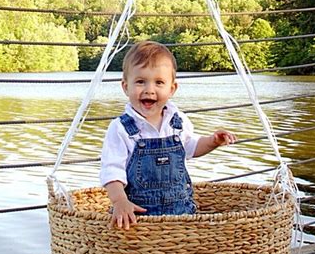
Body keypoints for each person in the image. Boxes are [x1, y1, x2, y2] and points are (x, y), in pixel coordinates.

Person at [100, 40, 237, 229]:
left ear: (171, 89)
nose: (149, 89)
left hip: (182, 215)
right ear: (125, 87)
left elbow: (191, 147)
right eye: (140, 82)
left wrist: (212, 141)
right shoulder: (121, 128)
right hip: (139, 217)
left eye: (159, 82)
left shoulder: (177, 122)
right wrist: (119, 202)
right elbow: (112, 171)